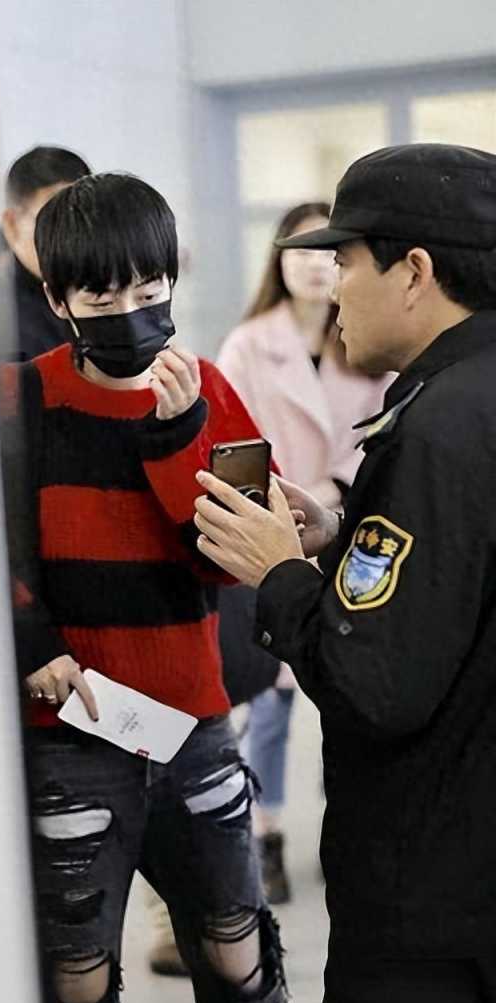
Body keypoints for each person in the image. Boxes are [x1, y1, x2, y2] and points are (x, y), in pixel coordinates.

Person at [193, 142, 496, 1003]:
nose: (333, 291)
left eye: (347, 262)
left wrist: (280, 577)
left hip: (428, 927)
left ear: (415, 272)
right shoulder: (470, 398)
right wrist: (345, 527)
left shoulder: (437, 426)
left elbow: (375, 682)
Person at [3, 172, 296, 1003]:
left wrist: (176, 435)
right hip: (70, 730)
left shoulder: (212, 391)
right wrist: (33, 640)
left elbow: (235, 556)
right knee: (77, 978)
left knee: (241, 959)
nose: (130, 312)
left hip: (193, 726)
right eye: (101, 297)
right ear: (58, 299)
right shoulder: (20, 399)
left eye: (147, 288)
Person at [215, 202, 390, 904]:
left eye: (327, 252)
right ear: (277, 261)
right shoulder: (249, 343)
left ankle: (346, 827)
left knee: (349, 689)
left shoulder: (364, 338)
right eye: (299, 251)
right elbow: (231, 437)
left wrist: (335, 488)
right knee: (270, 697)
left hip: (348, 522)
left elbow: (385, 425)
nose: (315, 265)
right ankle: (267, 835)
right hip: (274, 527)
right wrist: (288, 493)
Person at [1, 145, 90, 360]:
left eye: (82, 218)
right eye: (52, 220)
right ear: (12, 226)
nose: (71, 236)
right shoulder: (2, 324)